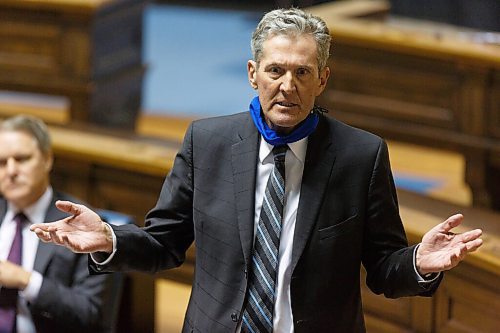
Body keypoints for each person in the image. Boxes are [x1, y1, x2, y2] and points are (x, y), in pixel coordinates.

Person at [30, 8, 483, 333]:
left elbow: (384, 269)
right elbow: (164, 244)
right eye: (276, 70)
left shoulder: (360, 157)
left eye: (303, 73)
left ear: (323, 79)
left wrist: (419, 265)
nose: (288, 86)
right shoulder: (206, 143)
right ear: (252, 73)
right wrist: (110, 238)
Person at [0, 115, 121, 333]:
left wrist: (26, 280)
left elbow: (92, 313)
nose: (11, 171)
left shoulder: (83, 224)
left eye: (21, 159)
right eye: (1, 163)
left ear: (47, 159)